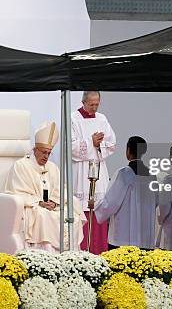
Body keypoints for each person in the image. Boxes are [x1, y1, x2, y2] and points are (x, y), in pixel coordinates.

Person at [5, 122, 85, 252]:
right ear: (35, 149)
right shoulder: (21, 166)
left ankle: (70, 255)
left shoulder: (52, 167)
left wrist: (54, 202)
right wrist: (39, 202)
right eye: (43, 152)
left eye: (49, 153)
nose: (46, 156)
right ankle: (48, 254)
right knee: (43, 215)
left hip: (50, 206)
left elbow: (61, 189)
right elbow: (16, 192)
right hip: (33, 206)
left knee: (72, 211)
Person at [92, 136, 157, 250]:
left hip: (123, 236)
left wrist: (96, 204)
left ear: (128, 151)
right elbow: (156, 202)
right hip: (146, 236)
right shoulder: (152, 176)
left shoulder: (124, 173)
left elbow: (111, 202)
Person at [71, 91, 116, 254]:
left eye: (97, 104)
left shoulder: (102, 119)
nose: (94, 107)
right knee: (82, 213)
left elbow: (111, 144)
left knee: (98, 214)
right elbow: (70, 146)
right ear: (83, 102)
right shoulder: (73, 119)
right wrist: (91, 142)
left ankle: (99, 252)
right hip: (81, 172)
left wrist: (98, 145)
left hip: (98, 169)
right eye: (91, 104)